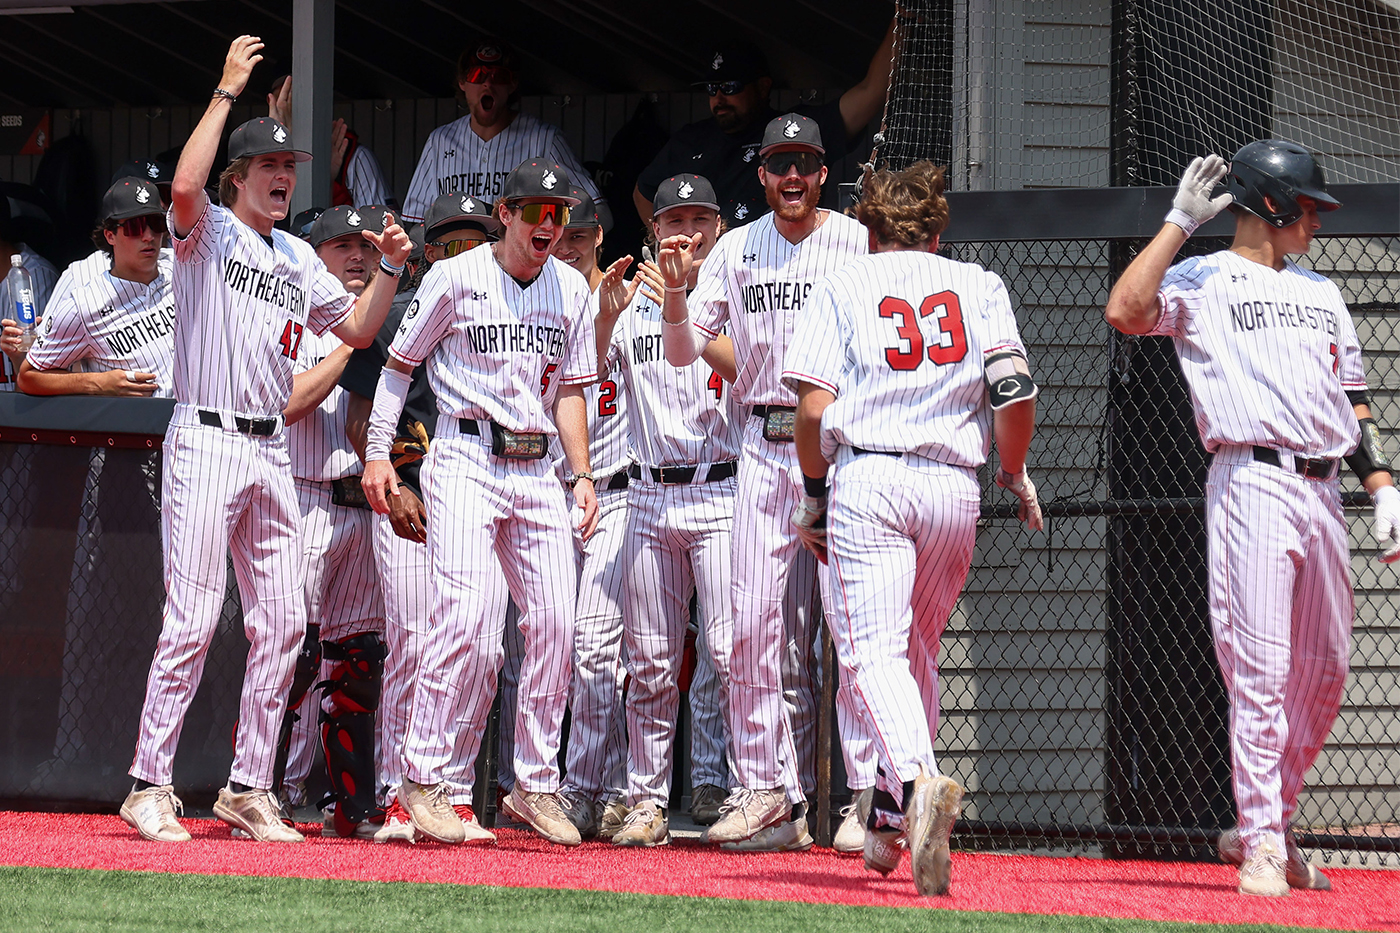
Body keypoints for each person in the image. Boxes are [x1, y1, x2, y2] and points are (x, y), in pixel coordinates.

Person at [120, 35, 409, 845]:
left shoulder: (296, 256)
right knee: (192, 615)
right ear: (238, 179)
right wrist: (224, 91)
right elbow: (180, 184)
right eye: (270, 167)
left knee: (284, 620)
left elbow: (353, 326)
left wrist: (386, 269)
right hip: (207, 434)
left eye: (291, 167)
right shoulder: (206, 230)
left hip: (268, 451)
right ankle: (149, 782)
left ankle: (250, 786)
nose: (285, 175)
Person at [1104, 140, 1398, 897]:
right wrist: (1176, 223)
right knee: (1259, 672)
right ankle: (1266, 837)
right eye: (1305, 208)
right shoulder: (1206, 276)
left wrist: (1382, 482)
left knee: (1326, 670)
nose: (1316, 222)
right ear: (1269, 204)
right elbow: (1127, 310)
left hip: (1325, 487)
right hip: (1251, 477)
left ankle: (1268, 817)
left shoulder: (1322, 292)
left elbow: (1353, 401)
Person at [783, 160, 1042, 895]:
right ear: (938, 228)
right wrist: (1014, 471)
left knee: (872, 654)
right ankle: (894, 815)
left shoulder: (843, 281)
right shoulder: (978, 283)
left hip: (871, 476)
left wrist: (812, 494)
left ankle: (919, 781)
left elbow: (809, 411)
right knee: (917, 651)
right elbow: (1014, 390)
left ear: (868, 226)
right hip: (953, 486)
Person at [361, 159, 598, 848]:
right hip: (464, 452)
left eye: (558, 211)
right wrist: (380, 452)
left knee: (557, 621)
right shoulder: (453, 276)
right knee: (467, 618)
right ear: (507, 212)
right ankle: (426, 776)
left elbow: (573, 391)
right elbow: (399, 367)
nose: (548, 223)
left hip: (536, 464)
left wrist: (581, 474)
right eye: (535, 210)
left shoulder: (572, 289)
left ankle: (534, 781)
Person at [659, 114, 878, 849]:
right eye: (780, 163)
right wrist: (681, 298)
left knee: (850, 630)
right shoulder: (736, 245)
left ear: (824, 171)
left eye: (806, 164)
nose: (793, 177)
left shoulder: (854, 238)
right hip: (761, 440)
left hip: (842, 448)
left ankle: (863, 798)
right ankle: (768, 794)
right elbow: (687, 349)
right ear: (761, 173)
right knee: (749, 628)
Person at [340, 191, 506, 845]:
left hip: (485, 498)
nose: (460, 252)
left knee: (485, 647)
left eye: (473, 240)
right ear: (425, 253)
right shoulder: (395, 315)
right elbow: (361, 417)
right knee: (414, 640)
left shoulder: (510, 310)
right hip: (408, 498)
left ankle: (453, 788)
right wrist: (402, 479)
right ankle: (399, 791)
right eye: (447, 242)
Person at [593, 173, 742, 847]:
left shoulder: (736, 290)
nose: (683, 230)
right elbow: (584, 380)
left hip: (721, 484)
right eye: (672, 219)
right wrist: (603, 317)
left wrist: (684, 300)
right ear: (654, 229)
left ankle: (747, 789)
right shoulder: (628, 302)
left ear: (716, 226)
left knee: (732, 652)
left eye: (697, 219)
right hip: (649, 487)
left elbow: (757, 372)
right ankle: (648, 798)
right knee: (649, 659)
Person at [16, 178, 173, 797]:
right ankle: (82, 754)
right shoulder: (83, 284)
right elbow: (33, 376)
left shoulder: (182, 266)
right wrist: (99, 386)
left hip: (198, 454)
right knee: (107, 617)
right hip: (125, 468)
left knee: (206, 624)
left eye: (155, 225)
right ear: (108, 234)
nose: (148, 237)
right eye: (133, 226)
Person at [271, 204, 391, 840]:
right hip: (304, 497)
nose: (355, 257)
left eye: (365, 247)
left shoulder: (384, 326)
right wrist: (354, 347)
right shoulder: (294, 319)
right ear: (313, 256)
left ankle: (349, 804)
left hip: (362, 509)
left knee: (358, 660)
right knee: (290, 653)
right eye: (341, 245)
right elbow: (284, 405)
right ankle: (269, 790)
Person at [549, 186, 633, 840]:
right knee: (542, 652)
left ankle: (589, 787)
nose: (569, 241)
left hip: (616, 490)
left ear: (599, 233)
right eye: (559, 230)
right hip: (545, 491)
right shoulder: (540, 293)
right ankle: (538, 782)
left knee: (598, 649)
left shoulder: (628, 295)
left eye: (579, 231)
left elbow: (597, 368)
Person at [633, 29, 894, 228]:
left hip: (778, 269)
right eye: (712, 88)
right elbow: (643, 193)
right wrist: (669, 242)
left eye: (731, 86)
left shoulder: (794, 132)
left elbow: (869, 92)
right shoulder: (690, 139)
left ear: (762, 87)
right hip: (707, 276)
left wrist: (902, 22)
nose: (719, 97)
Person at [400, 40, 607, 229]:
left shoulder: (544, 139)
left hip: (523, 265)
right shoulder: (440, 141)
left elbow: (599, 212)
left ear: (512, 84)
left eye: (498, 77)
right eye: (477, 75)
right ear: (462, 83)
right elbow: (415, 221)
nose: (487, 84)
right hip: (458, 261)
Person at [267, 76, 395, 210]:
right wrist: (274, 142)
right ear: (271, 102)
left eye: (300, 97)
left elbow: (379, 225)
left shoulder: (352, 156)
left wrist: (326, 181)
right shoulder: (259, 155)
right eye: (286, 98)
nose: (291, 107)